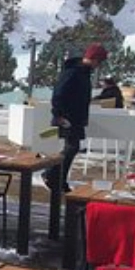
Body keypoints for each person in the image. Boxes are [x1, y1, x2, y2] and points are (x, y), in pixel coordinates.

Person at [47, 42, 108, 193]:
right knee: (71, 147)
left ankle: (57, 179)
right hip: (67, 117)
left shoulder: (83, 72)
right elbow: (59, 94)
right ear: (94, 58)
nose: (98, 65)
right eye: (99, 61)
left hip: (75, 118)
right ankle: (52, 176)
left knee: (72, 148)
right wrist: (58, 114)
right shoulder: (74, 72)